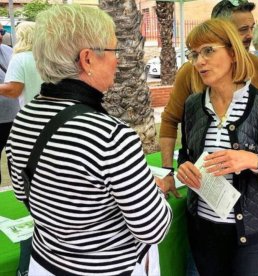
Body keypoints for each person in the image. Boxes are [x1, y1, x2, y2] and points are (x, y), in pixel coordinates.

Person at [6, 5, 172, 275]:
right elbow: (153, 228)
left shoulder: (25, 117)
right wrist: (153, 192)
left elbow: (25, 194)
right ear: (87, 59)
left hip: (46, 263)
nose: (118, 60)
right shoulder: (110, 135)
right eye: (114, 50)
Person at [160, 0, 258, 263]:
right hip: (204, 232)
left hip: (252, 236)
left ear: (231, 52)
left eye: (208, 51)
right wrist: (182, 168)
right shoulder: (193, 106)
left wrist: (255, 158)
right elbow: (187, 153)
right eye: (194, 53)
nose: (199, 61)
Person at [0, 21, 43, 104]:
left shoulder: (19, 57)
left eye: (2, 32)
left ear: (21, 37)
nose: (1, 36)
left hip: (30, 110)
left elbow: (13, 90)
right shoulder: (47, 58)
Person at [0, 23, 15, 185]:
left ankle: (21, 196)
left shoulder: (9, 51)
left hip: (13, 119)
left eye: (1, 31)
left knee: (16, 162)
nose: (1, 35)